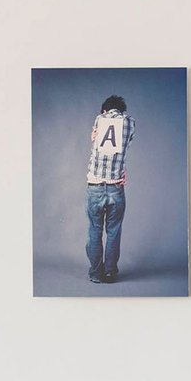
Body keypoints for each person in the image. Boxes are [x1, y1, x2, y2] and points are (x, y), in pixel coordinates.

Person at [84, 94, 134, 284]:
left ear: (104, 110)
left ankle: (96, 273)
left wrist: (93, 137)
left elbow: (99, 148)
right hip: (116, 187)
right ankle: (110, 272)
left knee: (94, 231)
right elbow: (123, 148)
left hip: (95, 186)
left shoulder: (99, 119)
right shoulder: (129, 122)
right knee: (114, 231)